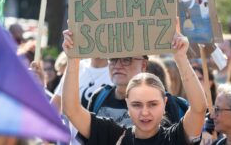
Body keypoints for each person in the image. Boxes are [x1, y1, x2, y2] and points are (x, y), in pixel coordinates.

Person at [62, 29, 207, 144]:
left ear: (165, 103)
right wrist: (73, 60)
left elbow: (199, 109)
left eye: (152, 104)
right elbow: (71, 110)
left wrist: (181, 58)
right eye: (137, 105)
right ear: (127, 105)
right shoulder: (113, 135)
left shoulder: (173, 138)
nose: (144, 112)